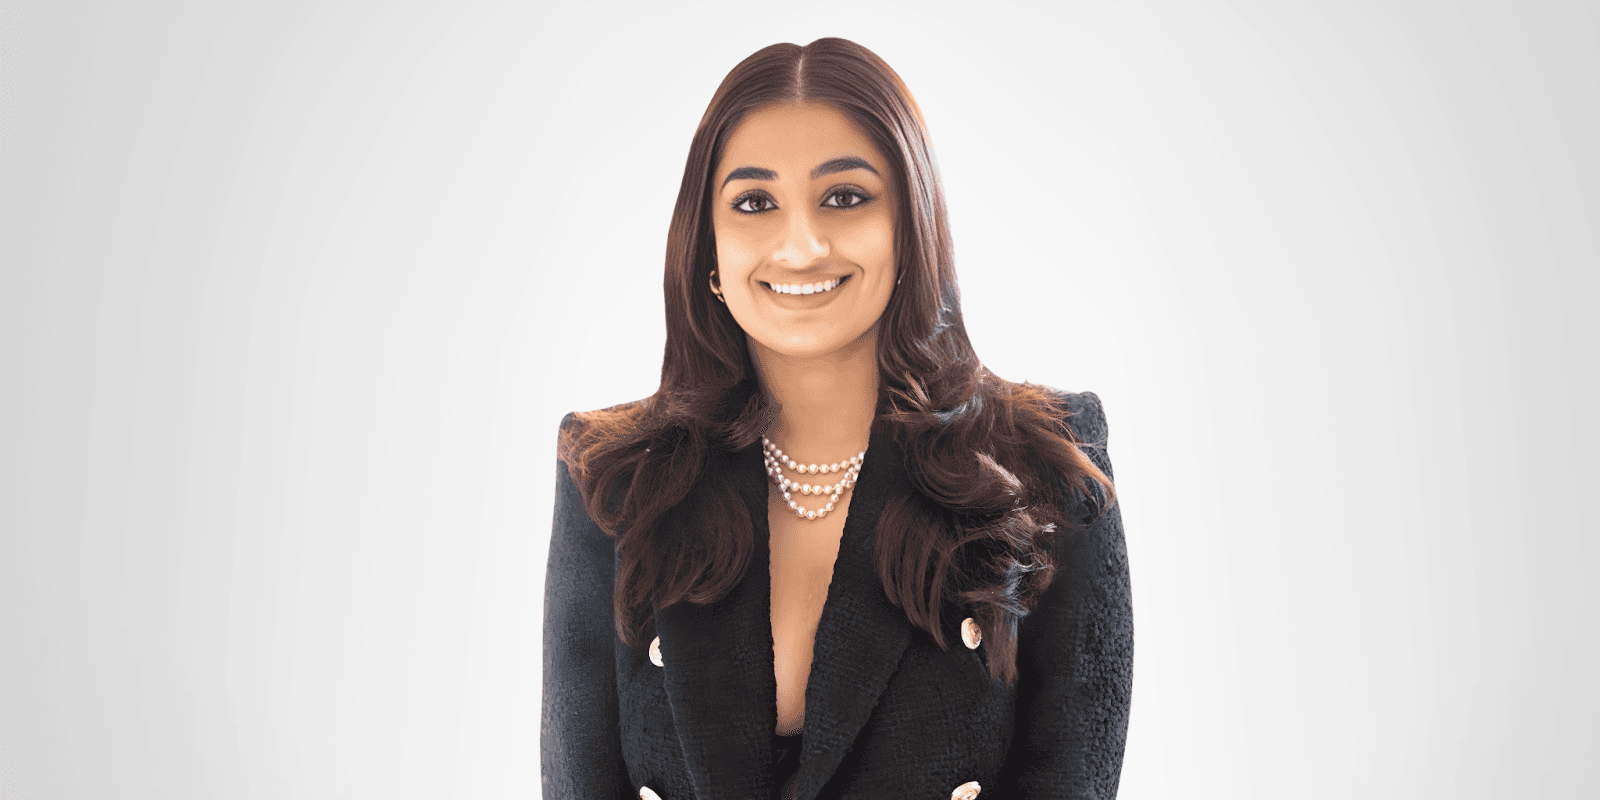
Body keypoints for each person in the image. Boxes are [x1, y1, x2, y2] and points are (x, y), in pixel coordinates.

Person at [543, 37, 1132, 800]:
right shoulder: (612, 475)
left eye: (845, 197)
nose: (801, 246)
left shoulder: (1045, 463)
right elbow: (577, 780)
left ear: (911, 226)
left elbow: (1073, 777)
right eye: (755, 203)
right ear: (708, 250)